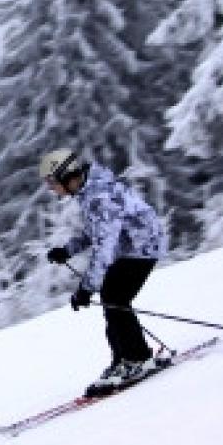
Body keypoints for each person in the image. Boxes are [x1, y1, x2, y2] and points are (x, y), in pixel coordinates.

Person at [39, 148, 167, 394]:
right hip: (132, 246)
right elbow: (96, 231)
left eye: (52, 182)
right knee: (113, 296)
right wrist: (68, 250)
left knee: (114, 296)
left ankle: (136, 360)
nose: (51, 189)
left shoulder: (99, 196)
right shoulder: (90, 191)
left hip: (143, 246)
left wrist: (86, 289)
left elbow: (104, 248)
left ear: (66, 176)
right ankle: (125, 359)